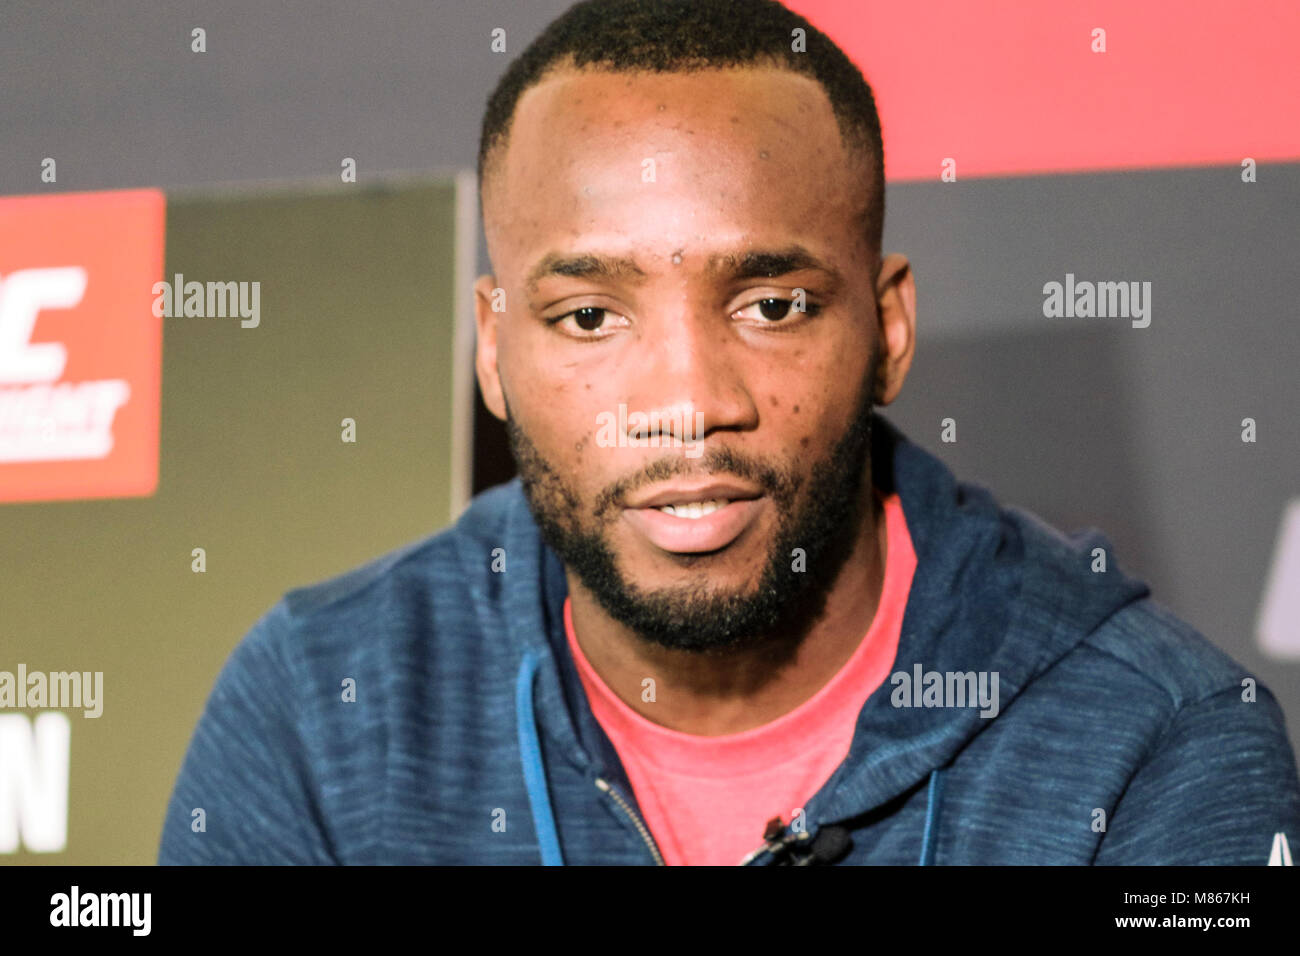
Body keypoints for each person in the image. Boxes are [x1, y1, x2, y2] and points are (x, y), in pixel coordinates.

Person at [159, 0, 1300, 865]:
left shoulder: (1151, 738)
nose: (687, 400)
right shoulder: (324, 704)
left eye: (771, 304)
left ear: (889, 327)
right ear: (494, 346)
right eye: (591, 316)